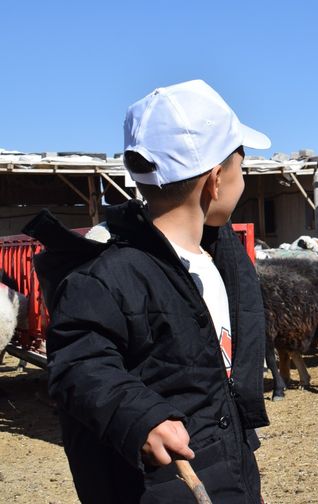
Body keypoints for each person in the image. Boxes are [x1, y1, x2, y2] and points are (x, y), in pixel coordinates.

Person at [33, 80, 271, 503]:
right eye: (242, 166)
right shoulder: (108, 274)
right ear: (215, 181)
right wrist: (139, 416)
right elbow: (80, 360)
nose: (244, 179)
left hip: (226, 464)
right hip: (161, 486)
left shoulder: (220, 257)